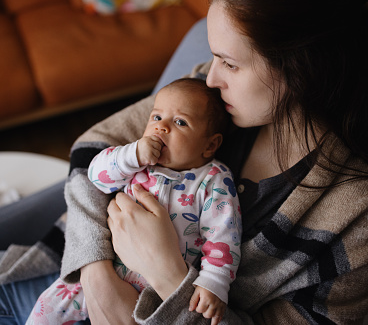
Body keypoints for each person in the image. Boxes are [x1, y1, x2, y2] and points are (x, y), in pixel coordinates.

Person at [0, 0, 368, 324]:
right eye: (213, 56)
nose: (210, 75)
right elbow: (93, 147)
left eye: (229, 62)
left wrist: (167, 272)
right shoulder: (211, 100)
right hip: (73, 280)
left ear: (306, 71)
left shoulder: (361, 215)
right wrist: (94, 272)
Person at [27, 78, 241, 325]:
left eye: (180, 122)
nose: (161, 128)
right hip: (105, 268)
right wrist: (132, 156)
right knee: (46, 311)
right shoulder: (135, 161)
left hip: (155, 299)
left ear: (210, 144)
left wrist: (214, 282)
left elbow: (223, 236)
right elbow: (95, 176)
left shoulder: (213, 180)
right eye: (156, 117)